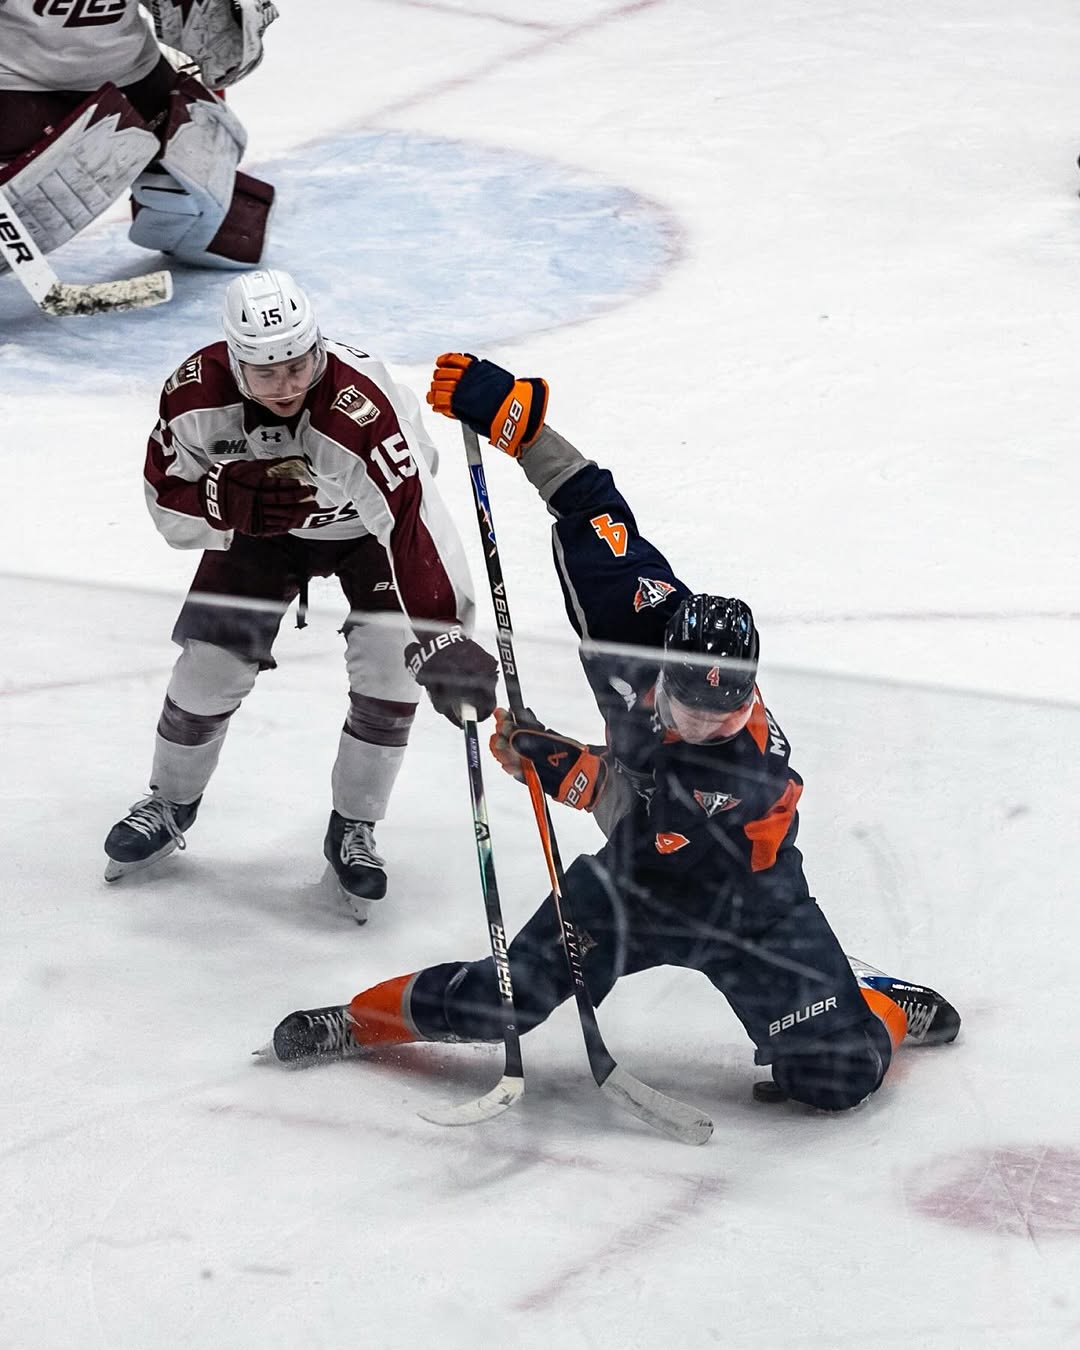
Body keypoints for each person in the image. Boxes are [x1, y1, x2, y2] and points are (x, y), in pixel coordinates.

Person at [264, 353, 960, 1111]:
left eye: (727, 713)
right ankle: (355, 1025)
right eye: (691, 706)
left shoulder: (749, 769)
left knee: (837, 1077)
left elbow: (632, 812)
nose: (708, 723)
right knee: (501, 1004)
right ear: (665, 665)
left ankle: (874, 1002)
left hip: (750, 904)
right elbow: (589, 500)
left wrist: (551, 761)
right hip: (630, 892)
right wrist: (515, 421)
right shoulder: (636, 613)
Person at [103, 278, 498, 921]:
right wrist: (220, 502)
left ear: (317, 346)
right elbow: (164, 503)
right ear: (235, 362)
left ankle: (354, 826)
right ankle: (170, 802)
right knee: (207, 669)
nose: (286, 385)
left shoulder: (357, 406)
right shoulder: (194, 395)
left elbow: (411, 518)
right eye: (265, 373)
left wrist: (443, 633)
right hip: (261, 536)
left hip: (369, 533)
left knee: (391, 670)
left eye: (298, 365)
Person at [0, 0, 276, 277]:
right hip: (21, 89)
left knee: (209, 225)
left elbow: (212, 36)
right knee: (31, 197)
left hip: (134, 76)